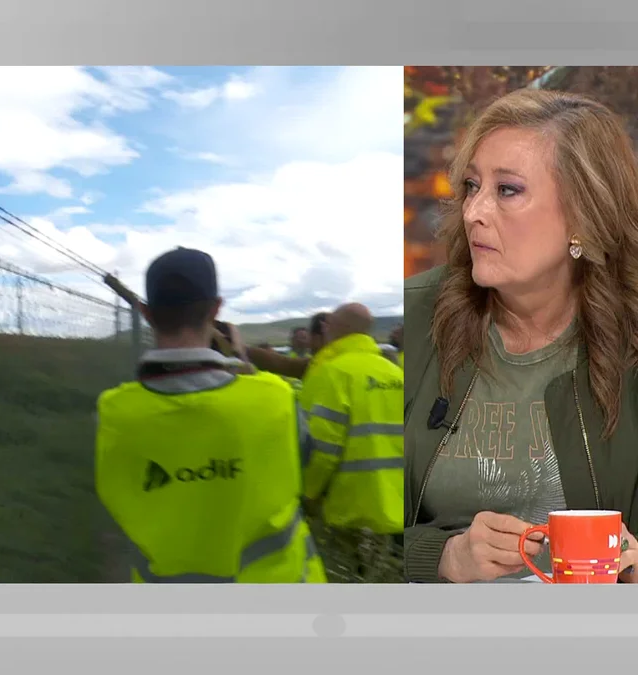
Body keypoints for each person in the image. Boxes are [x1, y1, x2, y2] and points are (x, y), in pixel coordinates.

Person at [403, 88, 638, 583]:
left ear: (583, 214)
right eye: (471, 186)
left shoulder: (631, 338)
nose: (473, 212)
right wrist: (442, 557)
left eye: (507, 190)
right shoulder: (413, 316)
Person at [95, 247, 326, 583]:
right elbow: (304, 463)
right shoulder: (274, 397)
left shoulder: (114, 411)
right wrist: (244, 363)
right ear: (217, 308)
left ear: (146, 312)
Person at [301, 303, 405, 581]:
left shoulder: (331, 373)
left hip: (352, 516)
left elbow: (320, 450)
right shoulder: (394, 373)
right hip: (401, 513)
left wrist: (307, 494)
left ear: (333, 328)